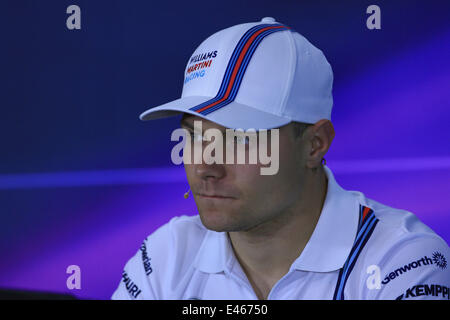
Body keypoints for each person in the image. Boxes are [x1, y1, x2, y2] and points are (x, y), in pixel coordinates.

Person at [111, 17, 450, 300]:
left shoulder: (402, 260)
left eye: (240, 138)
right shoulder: (167, 255)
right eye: (197, 136)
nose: (204, 166)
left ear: (315, 144)